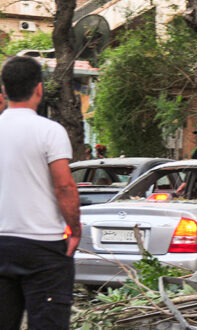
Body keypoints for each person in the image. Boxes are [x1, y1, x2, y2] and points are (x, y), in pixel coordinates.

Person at [0, 56, 81, 329]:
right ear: (39, 88)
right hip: (43, 247)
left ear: (5, 90)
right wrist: (75, 229)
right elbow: (65, 186)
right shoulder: (50, 131)